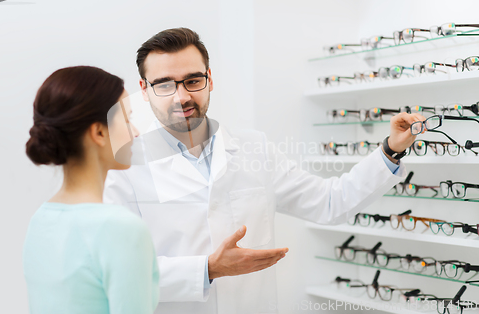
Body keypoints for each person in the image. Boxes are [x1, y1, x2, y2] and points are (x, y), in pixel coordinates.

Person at [103, 28, 426, 314]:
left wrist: (391, 149)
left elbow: (331, 203)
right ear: (144, 90)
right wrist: (208, 269)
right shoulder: (123, 167)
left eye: (193, 80)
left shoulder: (254, 148)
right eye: (164, 85)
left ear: (210, 79)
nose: (182, 96)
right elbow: (118, 274)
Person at [23, 66, 159, 314]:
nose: (135, 132)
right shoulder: (121, 229)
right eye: (127, 119)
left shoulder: (40, 220)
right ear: (98, 132)